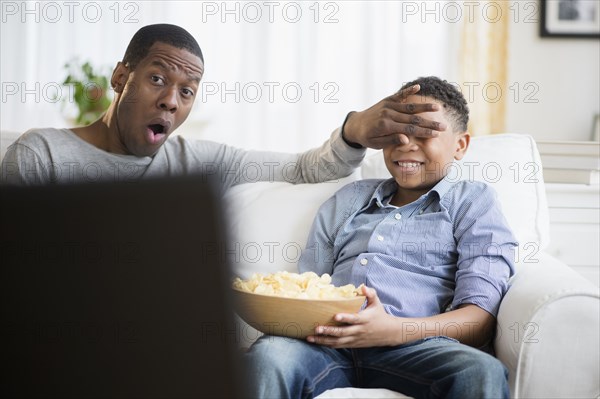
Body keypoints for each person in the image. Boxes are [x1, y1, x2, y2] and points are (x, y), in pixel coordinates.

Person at [245, 76, 517, 399]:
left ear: (460, 146)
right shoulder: (349, 200)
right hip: (330, 345)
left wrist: (392, 330)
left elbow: (479, 321)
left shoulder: (473, 202)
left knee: (480, 372)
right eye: (395, 132)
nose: (406, 143)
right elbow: (309, 288)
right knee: (268, 357)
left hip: (418, 347)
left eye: (425, 132)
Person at [0, 24, 445, 187]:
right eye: (157, 78)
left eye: (187, 91)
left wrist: (352, 131)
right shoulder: (42, 155)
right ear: (120, 78)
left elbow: (303, 169)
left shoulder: (198, 162)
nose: (171, 102)